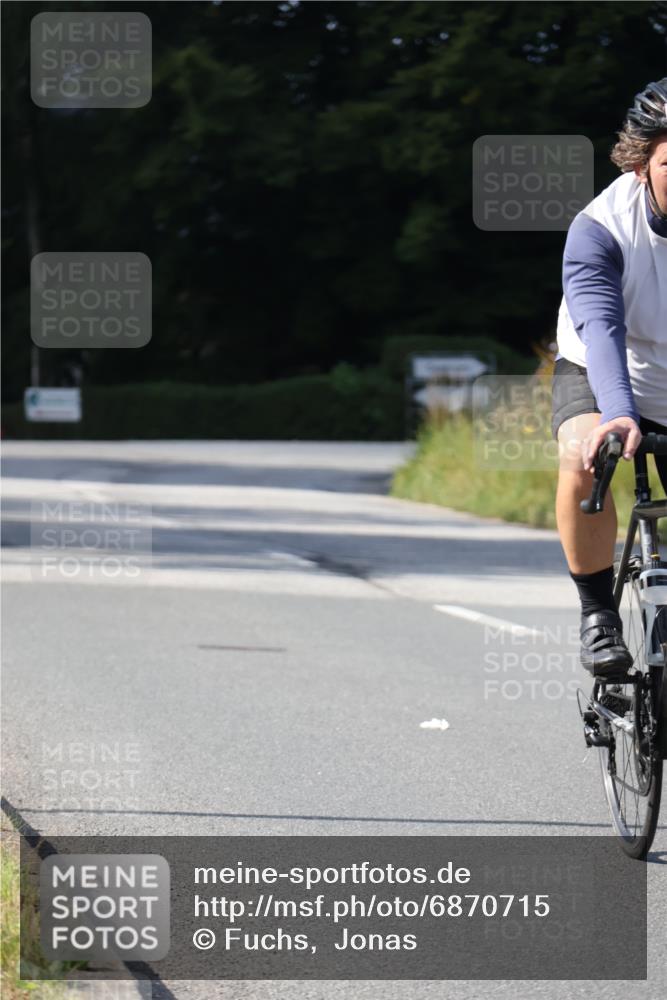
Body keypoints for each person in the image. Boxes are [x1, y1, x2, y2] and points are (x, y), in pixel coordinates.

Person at [552, 78, 667, 679]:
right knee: (584, 453)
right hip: (601, 369)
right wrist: (619, 414)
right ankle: (598, 614)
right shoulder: (600, 228)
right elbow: (601, 331)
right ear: (642, 163)